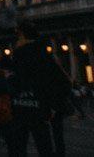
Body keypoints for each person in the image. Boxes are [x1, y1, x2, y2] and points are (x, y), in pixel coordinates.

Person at [9, 21, 70, 157]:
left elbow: (15, 79)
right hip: (39, 104)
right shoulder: (42, 52)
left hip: (21, 105)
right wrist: (54, 102)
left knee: (18, 146)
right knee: (43, 144)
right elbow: (60, 79)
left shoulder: (19, 53)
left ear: (22, 35)